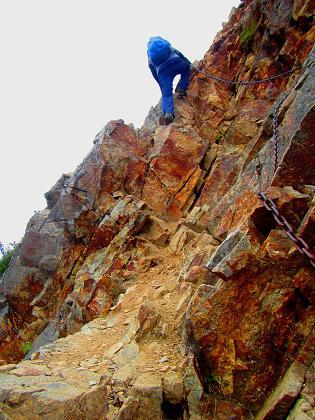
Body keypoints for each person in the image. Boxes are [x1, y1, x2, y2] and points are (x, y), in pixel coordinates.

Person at [147, 36, 191, 125]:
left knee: (166, 94)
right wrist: (187, 62)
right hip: (176, 62)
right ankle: (182, 88)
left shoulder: (150, 53)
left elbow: (152, 70)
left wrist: (160, 82)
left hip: (163, 72)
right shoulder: (163, 43)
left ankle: (168, 113)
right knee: (187, 69)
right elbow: (177, 52)